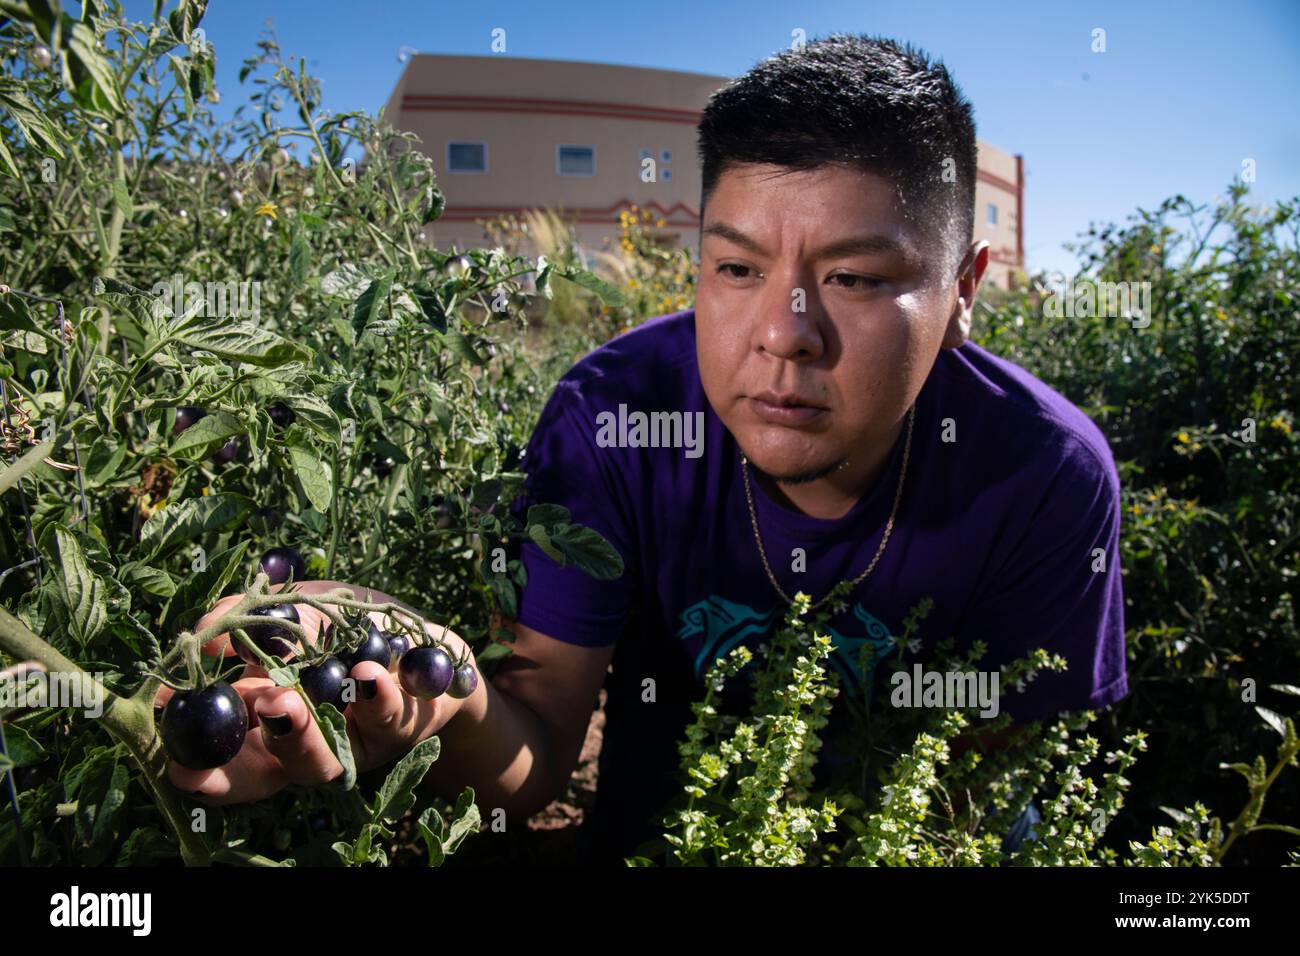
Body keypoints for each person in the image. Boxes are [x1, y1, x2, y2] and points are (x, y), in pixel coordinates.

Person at [163, 34, 1128, 865]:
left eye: (857, 278)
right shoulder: (612, 416)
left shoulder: (1045, 473)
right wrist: (447, 691)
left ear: (964, 288)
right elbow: (531, 763)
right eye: (738, 268)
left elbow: (997, 776)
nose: (785, 333)